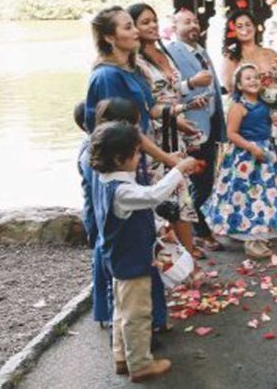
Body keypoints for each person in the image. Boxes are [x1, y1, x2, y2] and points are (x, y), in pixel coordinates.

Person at [91, 120, 198, 382]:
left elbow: (141, 208)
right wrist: (179, 169)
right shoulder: (121, 190)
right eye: (137, 153)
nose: (140, 158)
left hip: (118, 259)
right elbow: (153, 196)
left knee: (121, 309)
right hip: (132, 262)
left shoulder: (107, 181)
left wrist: (160, 226)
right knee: (137, 314)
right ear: (119, 158)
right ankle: (140, 365)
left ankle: (121, 356)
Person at [128, 2, 209, 260]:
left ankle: (187, 252)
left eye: (153, 20)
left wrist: (188, 100)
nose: (152, 25)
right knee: (166, 194)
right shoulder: (137, 62)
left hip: (177, 130)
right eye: (144, 22)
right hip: (158, 134)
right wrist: (177, 117)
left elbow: (173, 90)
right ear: (133, 29)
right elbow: (147, 104)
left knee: (181, 190)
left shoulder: (163, 51)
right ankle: (174, 255)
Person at [201, 63, 277, 258]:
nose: (253, 80)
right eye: (247, 78)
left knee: (266, 195)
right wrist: (252, 148)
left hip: (265, 153)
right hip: (245, 158)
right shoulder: (238, 107)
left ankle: (260, 232)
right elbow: (231, 134)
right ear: (238, 85)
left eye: (255, 77)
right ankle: (250, 239)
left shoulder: (265, 103)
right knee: (248, 196)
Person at [165, 9, 227, 253]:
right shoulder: (170, 52)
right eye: (187, 22)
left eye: (196, 21)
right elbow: (166, 90)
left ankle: (194, 229)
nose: (193, 25)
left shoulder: (201, 51)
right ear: (174, 26)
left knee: (206, 181)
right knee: (197, 183)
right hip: (189, 126)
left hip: (209, 124)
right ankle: (196, 231)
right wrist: (190, 85)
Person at [221, 9, 277, 169]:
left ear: (255, 27)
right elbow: (230, 88)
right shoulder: (232, 57)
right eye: (239, 26)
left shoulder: (270, 53)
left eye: (248, 24)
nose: (244, 29)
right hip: (251, 118)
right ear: (233, 31)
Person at [75, 100, 112, 327]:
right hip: (98, 214)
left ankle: (104, 311)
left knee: (100, 255)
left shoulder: (89, 146)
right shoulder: (92, 152)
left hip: (95, 212)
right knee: (102, 256)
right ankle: (105, 311)